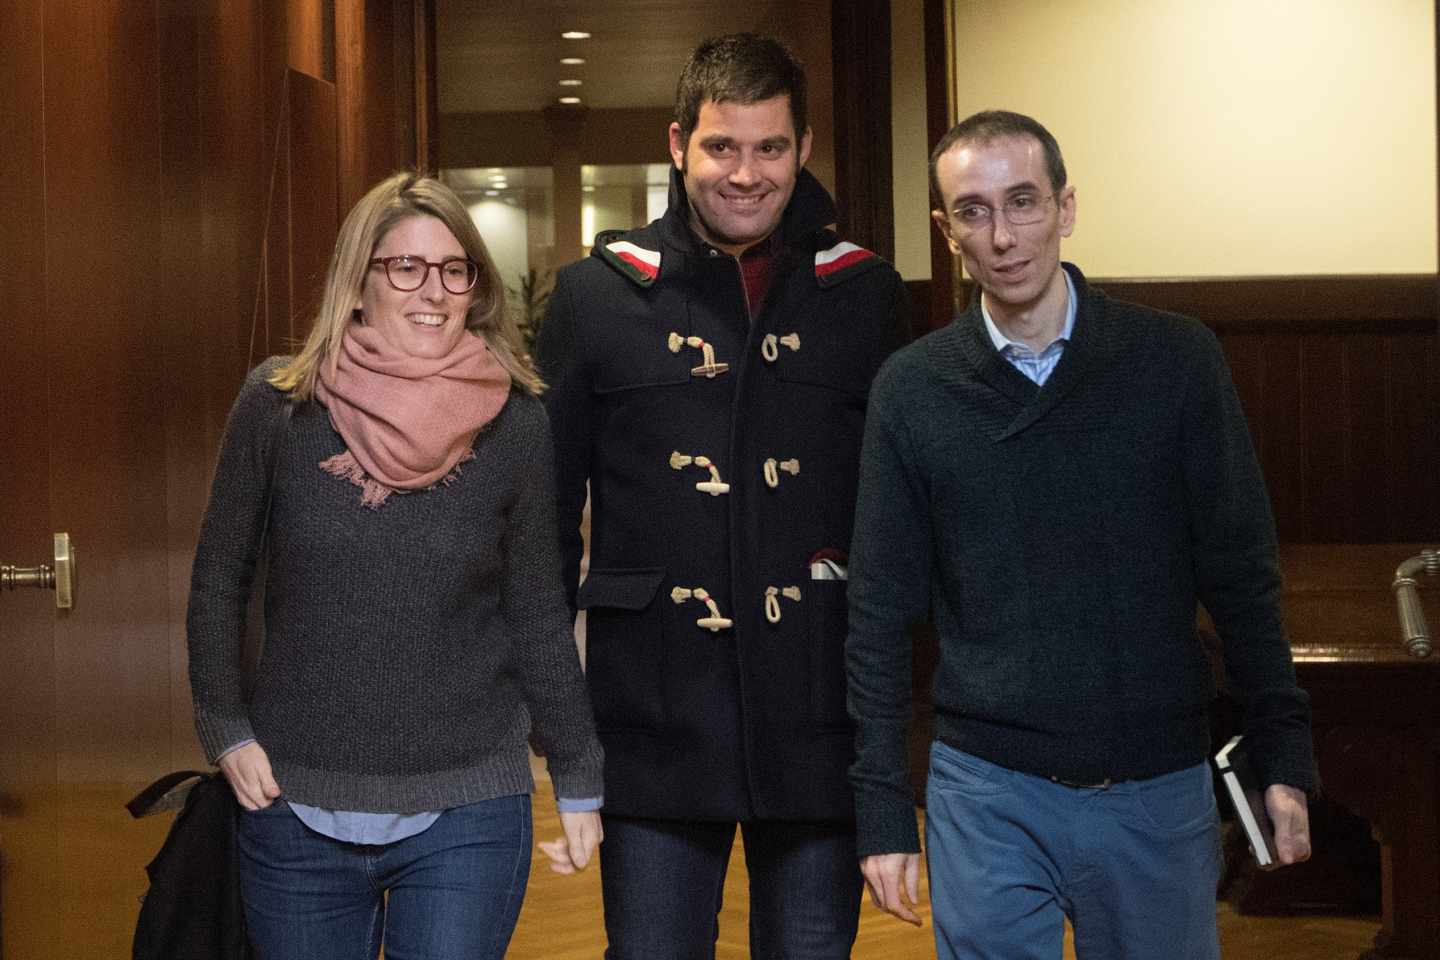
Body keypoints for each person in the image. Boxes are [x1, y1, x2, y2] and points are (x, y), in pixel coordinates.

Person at [846, 110, 1317, 959]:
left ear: (1067, 207)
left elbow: (1242, 573)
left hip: (1154, 781)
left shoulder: (1175, 362)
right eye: (974, 211)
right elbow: (877, 614)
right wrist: (881, 806)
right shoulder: (911, 391)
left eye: (1023, 202)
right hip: (983, 786)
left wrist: (1283, 750)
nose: (1003, 235)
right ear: (945, 231)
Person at [535, 33, 910, 960]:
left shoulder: (866, 297)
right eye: (721, 147)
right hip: (652, 716)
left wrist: (897, 745)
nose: (746, 174)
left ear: (804, 148)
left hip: (821, 718)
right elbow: (544, 527)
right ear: (677, 144)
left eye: (770, 148)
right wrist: (559, 729)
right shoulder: (593, 297)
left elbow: (902, 528)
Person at [186, 171, 604, 960]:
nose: (433, 291)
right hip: (295, 803)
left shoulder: (516, 423)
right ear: (359, 282)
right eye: (405, 267)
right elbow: (219, 577)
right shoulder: (279, 407)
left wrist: (577, 770)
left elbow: (538, 612)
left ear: (475, 289)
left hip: (469, 808)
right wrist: (225, 728)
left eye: (455, 270)